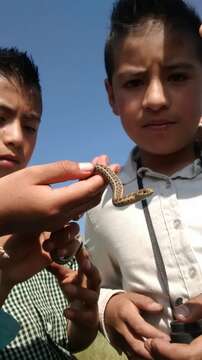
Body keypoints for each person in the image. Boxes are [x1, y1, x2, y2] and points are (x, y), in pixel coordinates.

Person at [85, 0, 202, 359]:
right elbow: (98, 284)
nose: (155, 98)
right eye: (134, 82)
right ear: (111, 96)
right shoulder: (99, 208)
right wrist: (107, 306)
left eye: (178, 76)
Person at [0, 47, 113, 358]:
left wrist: (84, 319)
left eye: (30, 126)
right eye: (0, 117)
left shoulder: (52, 241)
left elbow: (66, 341)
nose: (15, 137)